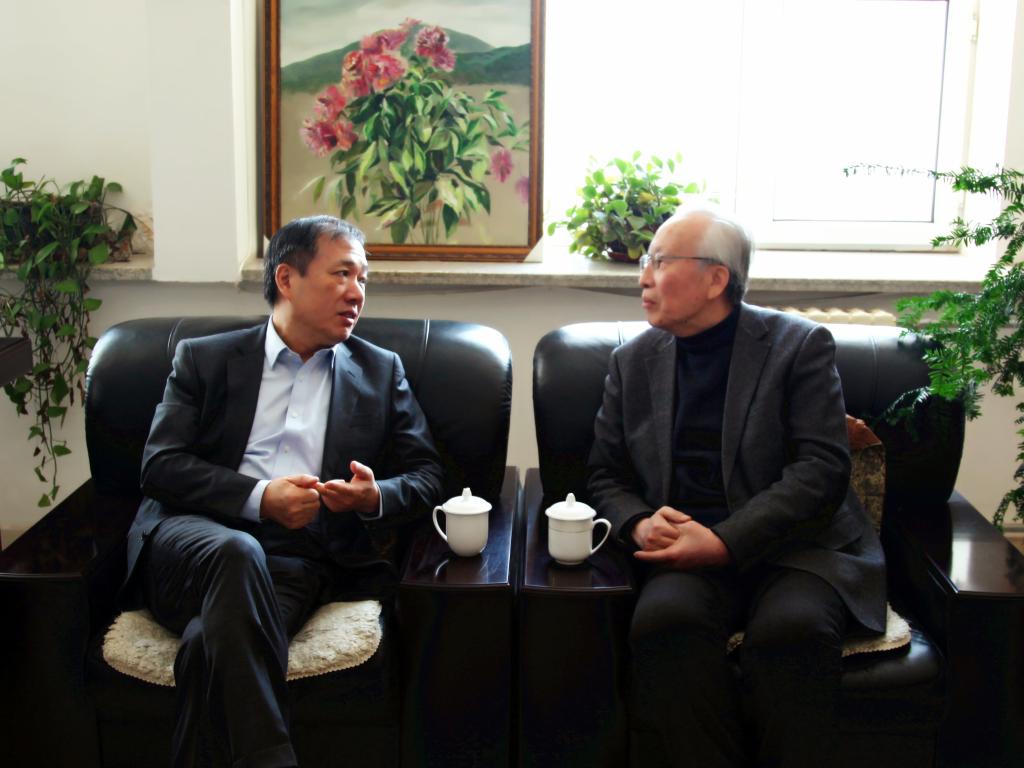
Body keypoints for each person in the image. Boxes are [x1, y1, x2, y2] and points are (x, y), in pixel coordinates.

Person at [121, 215, 444, 768]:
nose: (357, 293)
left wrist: (372, 497)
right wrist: (259, 496)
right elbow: (161, 465)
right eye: (341, 274)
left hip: (296, 560)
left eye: (363, 279)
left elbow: (427, 476)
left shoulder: (379, 371)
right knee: (235, 549)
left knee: (205, 648)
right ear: (287, 279)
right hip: (191, 543)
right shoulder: (205, 359)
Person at [587, 209, 886, 768]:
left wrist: (726, 540)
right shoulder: (632, 362)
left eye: (659, 261)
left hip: (799, 549)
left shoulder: (799, 346)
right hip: (685, 550)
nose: (643, 276)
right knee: (664, 625)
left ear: (716, 279)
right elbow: (605, 475)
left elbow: (821, 469)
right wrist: (640, 523)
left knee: (791, 633)